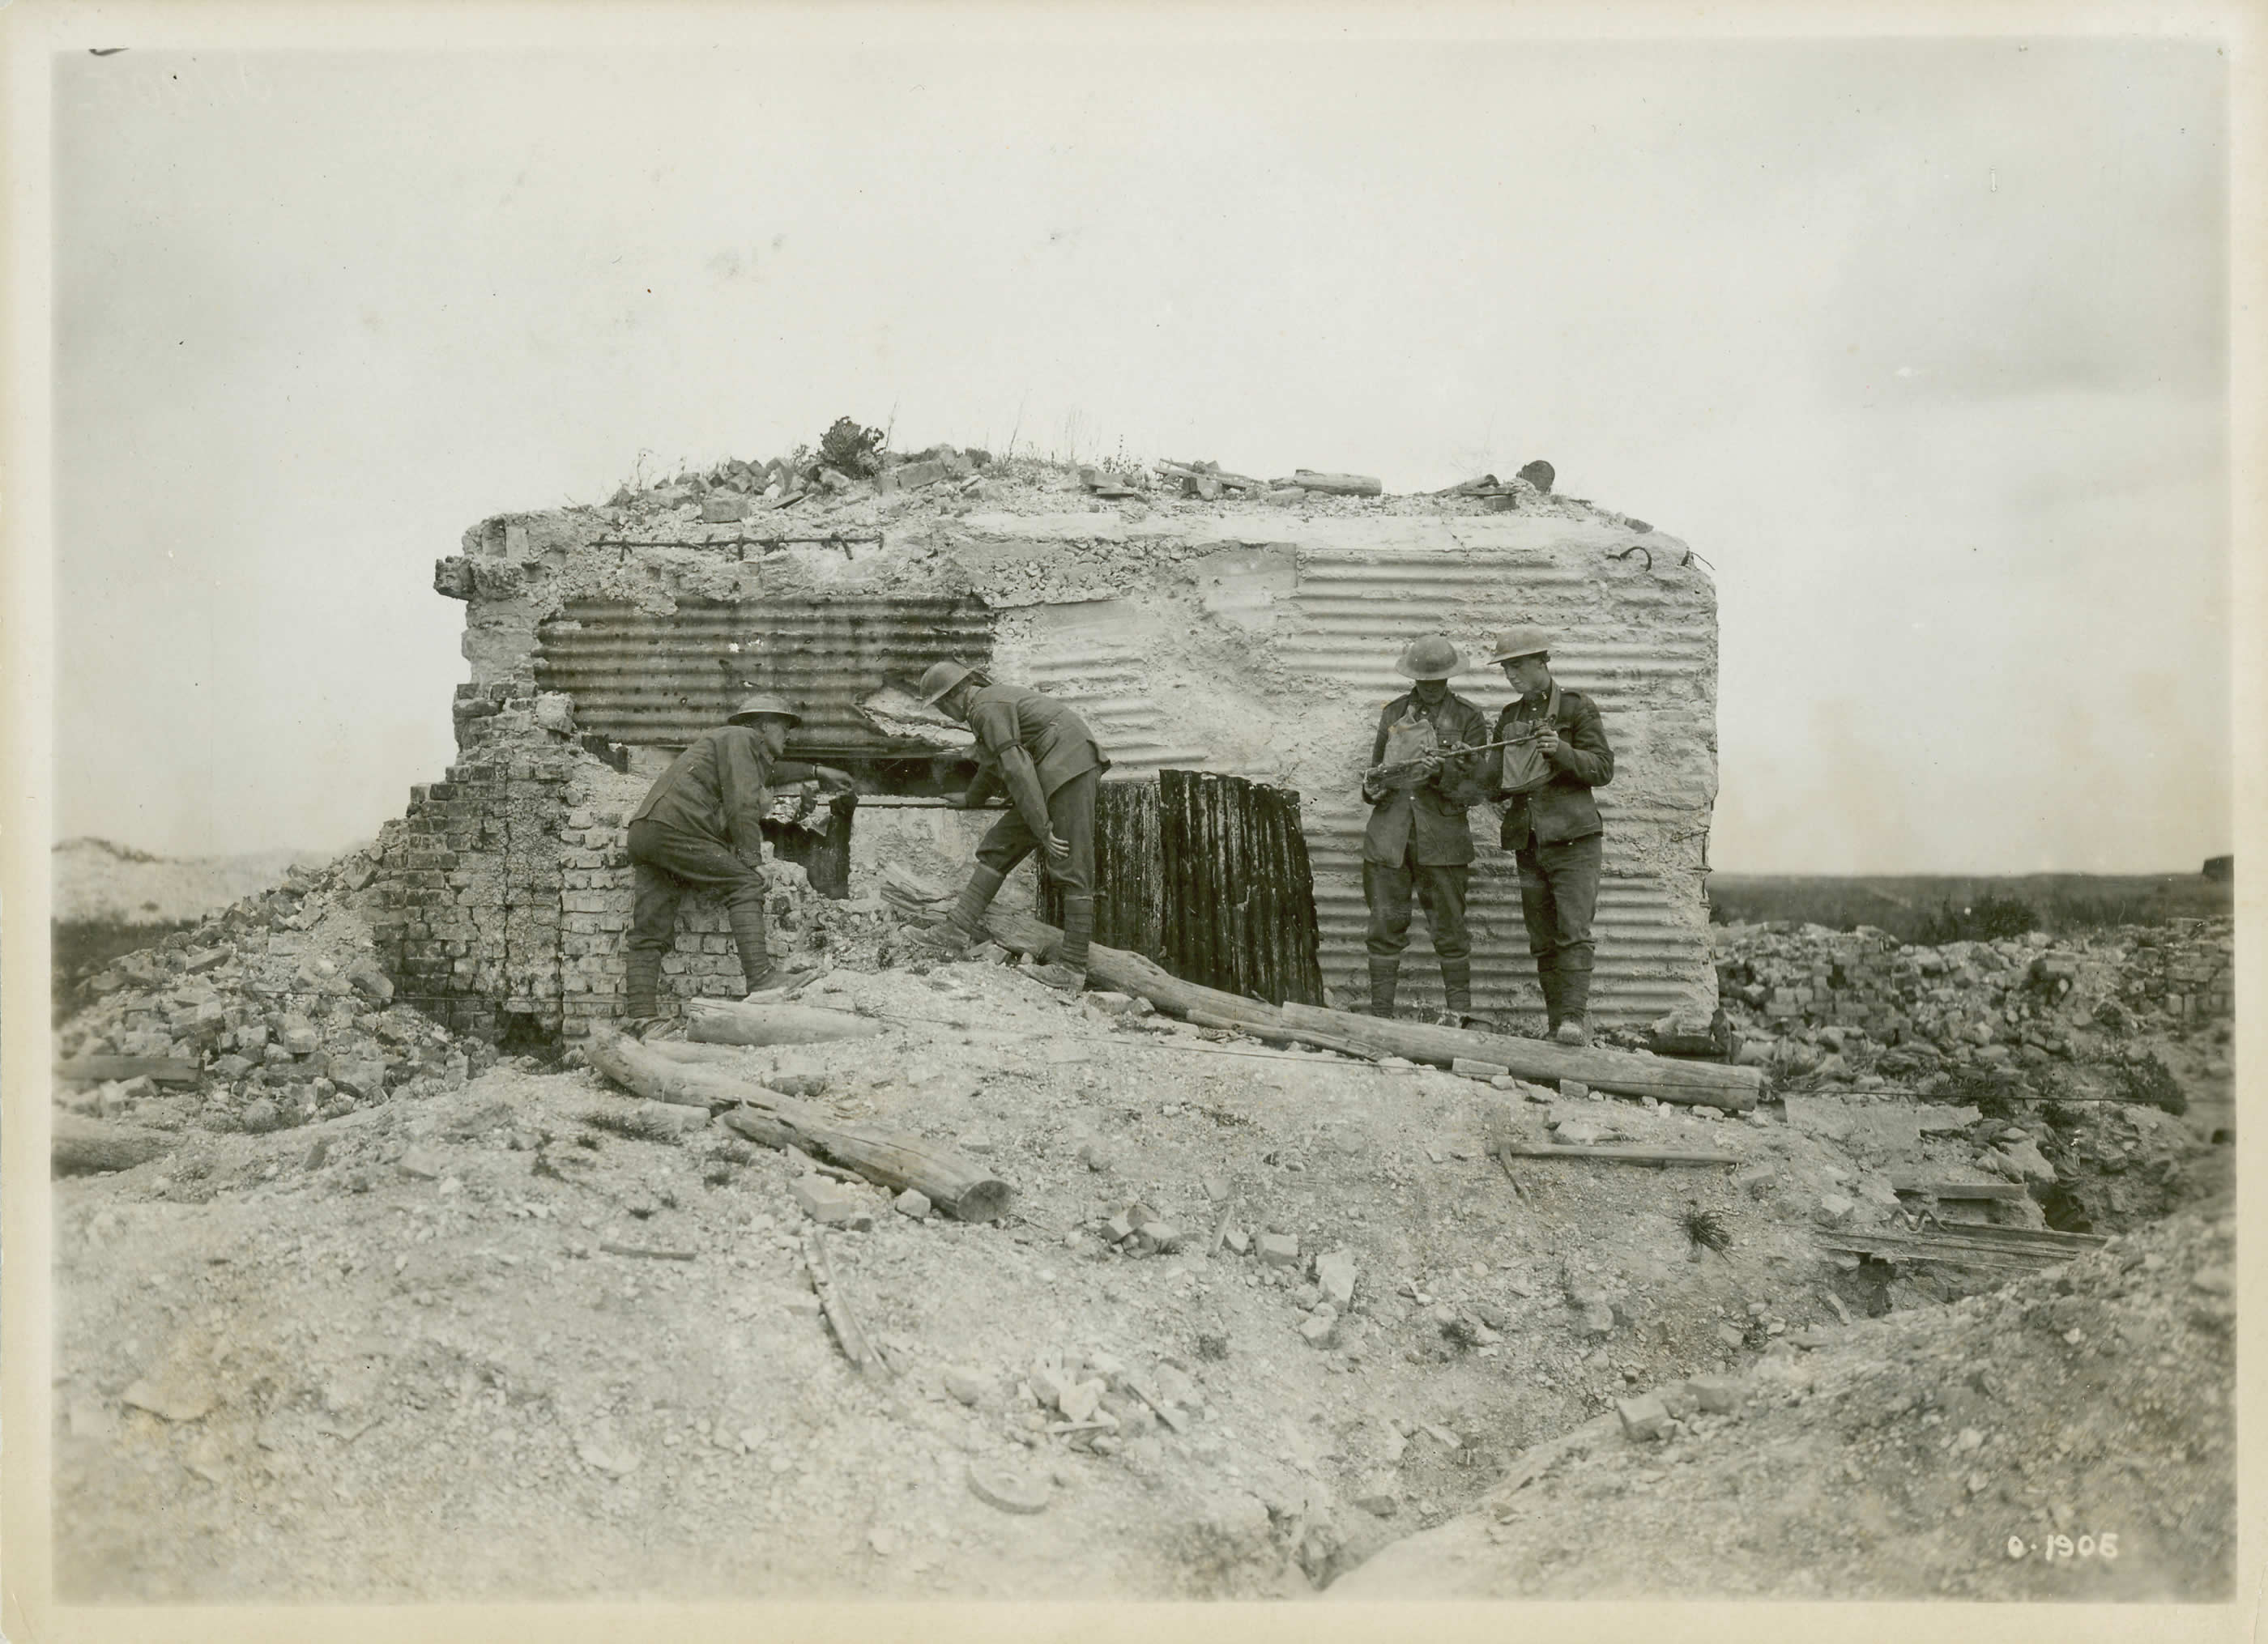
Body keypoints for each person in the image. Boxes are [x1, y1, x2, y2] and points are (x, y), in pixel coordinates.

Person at [620, 694, 852, 1034]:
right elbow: (742, 801)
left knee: (649, 931)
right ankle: (761, 979)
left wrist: (816, 770)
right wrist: (751, 859)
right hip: (678, 830)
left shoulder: (729, 744)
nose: (789, 735)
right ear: (763, 726)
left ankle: (641, 1017)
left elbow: (767, 773)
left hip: (647, 833)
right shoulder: (742, 739)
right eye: (785, 727)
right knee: (745, 882)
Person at [905, 661, 1108, 993]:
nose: (942, 712)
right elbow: (992, 763)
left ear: (955, 694)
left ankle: (1072, 968)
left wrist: (1042, 827)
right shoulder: (983, 709)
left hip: (1070, 766)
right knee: (999, 844)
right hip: (1051, 770)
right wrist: (972, 798)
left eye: (940, 704)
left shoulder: (986, 708)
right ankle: (956, 931)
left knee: (1072, 863)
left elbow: (1017, 770)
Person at [1477, 624, 1614, 1045]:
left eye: (1518, 665)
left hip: (1574, 840)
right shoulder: (1509, 717)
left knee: (1572, 931)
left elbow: (1603, 769)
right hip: (1529, 842)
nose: (1512, 675)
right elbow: (1493, 782)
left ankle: (1572, 1019)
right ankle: (1558, 1026)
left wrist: (1564, 751)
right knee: (1542, 939)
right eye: (1506, 669)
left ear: (1542, 662)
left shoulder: (1576, 708)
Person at [1360, 633, 1491, 1026]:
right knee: (1384, 926)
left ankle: (1459, 1018)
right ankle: (1381, 1018)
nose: (1430, 686)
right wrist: (1371, 786)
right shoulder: (1394, 714)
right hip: (1390, 838)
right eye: (1423, 679)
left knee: (1450, 930)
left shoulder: (1469, 718)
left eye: (1438, 679)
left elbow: (1476, 790)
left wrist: (1443, 773)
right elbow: (1375, 774)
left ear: (1450, 677)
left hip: (1443, 841)